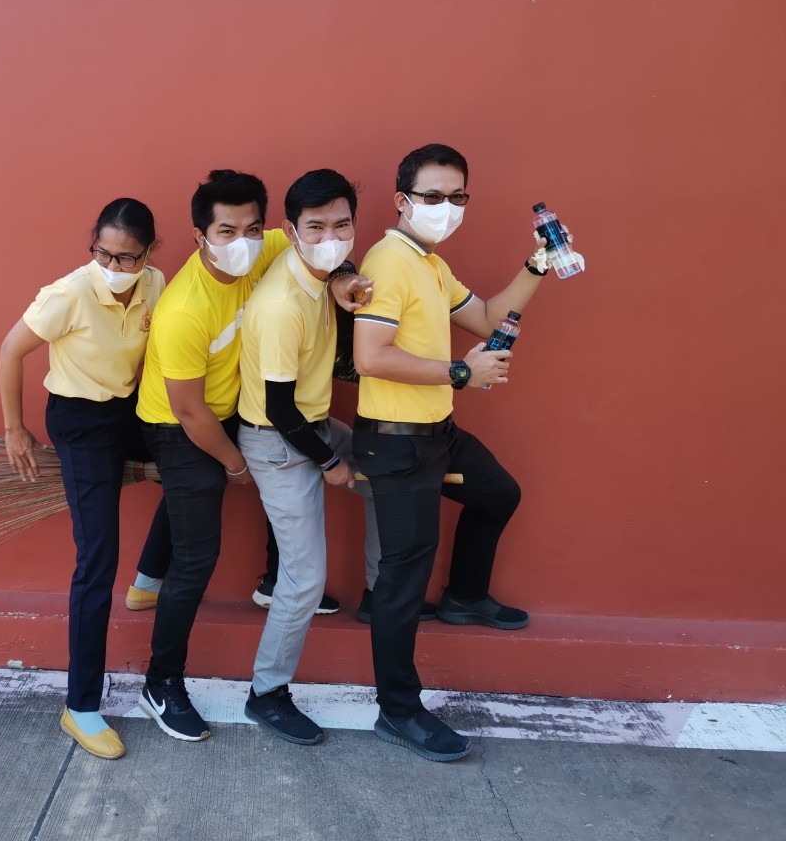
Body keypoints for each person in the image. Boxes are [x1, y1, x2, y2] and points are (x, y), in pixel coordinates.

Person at [132, 169, 369, 743]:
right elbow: (189, 411)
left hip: (241, 410)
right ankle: (161, 683)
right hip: (180, 426)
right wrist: (234, 465)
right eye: (227, 231)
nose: (244, 242)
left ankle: (267, 581)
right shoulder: (183, 309)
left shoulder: (273, 244)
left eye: (253, 229)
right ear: (200, 236)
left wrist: (343, 278)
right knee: (197, 557)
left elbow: (321, 245)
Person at [352, 144, 552, 762]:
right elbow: (370, 357)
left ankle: (465, 597)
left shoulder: (431, 264)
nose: (447, 206)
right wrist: (461, 374)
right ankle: (398, 710)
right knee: (403, 581)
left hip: (437, 434)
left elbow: (488, 318)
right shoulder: (389, 262)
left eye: (457, 196)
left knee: (498, 495)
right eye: (433, 196)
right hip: (396, 443)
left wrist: (537, 264)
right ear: (402, 200)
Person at [0, 199, 170, 761]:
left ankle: (148, 579)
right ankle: (81, 706)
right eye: (104, 253)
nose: (114, 266)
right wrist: (14, 430)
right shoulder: (67, 293)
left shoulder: (156, 284)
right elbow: (10, 351)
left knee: (196, 464)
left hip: (128, 410)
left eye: (127, 257)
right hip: (79, 422)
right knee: (97, 559)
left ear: (150, 252)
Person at [236, 168, 381, 744]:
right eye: (315, 227)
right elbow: (278, 409)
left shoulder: (322, 271)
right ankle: (266, 694)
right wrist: (330, 464)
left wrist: (342, 275)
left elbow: (337, 262)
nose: (330, 237)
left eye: (342, 225)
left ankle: (380, 592)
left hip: (313, 423)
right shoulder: (280, 306)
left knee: (387, 476)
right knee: (305, 580)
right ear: (291, 231)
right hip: (279, 442)